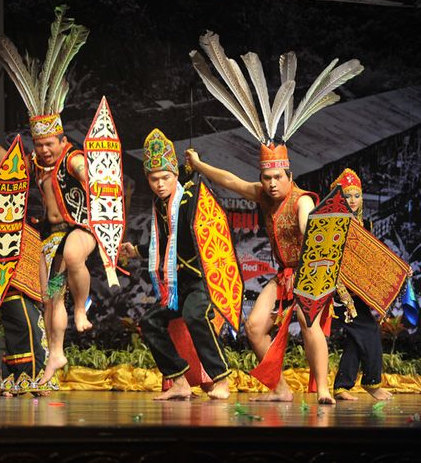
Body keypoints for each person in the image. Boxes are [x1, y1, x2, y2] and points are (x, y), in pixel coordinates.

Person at [187, 31, 363, 404]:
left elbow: (312, 235)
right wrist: (200, 165)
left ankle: (325, 390)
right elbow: (233, 181)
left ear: (288, 175)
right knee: (253, 326)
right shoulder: (262, 195)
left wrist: (309, 279)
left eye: (275, 178)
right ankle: (281, 390)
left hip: (310, 275)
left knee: (308, 323)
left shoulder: (301, 202)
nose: (268, 184)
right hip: (282, 276)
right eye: (265, 177)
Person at [0, 5, 95, 385]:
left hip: (80, 228)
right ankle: (57, 354)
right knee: (49, 296)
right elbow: (6, 165)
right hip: (50, 237)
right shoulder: (36, 162)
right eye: (40, 144)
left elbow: (88, 172)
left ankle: (82, 308)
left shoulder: (71, 158)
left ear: (62, 139)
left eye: (50, 143)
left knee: (74, 255)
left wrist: (93, 178)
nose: (44, 150)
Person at [120, 129, 232, 400]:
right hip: (178, 285)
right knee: (149, 323)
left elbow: (200, 233)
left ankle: (222, 379)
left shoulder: (190, 198)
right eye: (154, 179)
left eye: (166, 178)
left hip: (201, 278)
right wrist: (135, 251)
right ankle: (179, 381)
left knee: (195, 314)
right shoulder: (160, 206)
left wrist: (197, 167)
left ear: (176, 175)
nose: (160, 184)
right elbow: (165, 245)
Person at [330, 169, 392, 401]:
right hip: (338, 291)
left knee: (357, 336)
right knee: (369, 330)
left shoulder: (366, 224)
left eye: (357, 195)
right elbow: (331, 261)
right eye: (347, 196)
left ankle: (342, 385)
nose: (353, 200)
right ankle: (372, 382)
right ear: (339, 199)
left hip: (358, 292)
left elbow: (371, 259)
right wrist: (342, 294)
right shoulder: (333, 226)